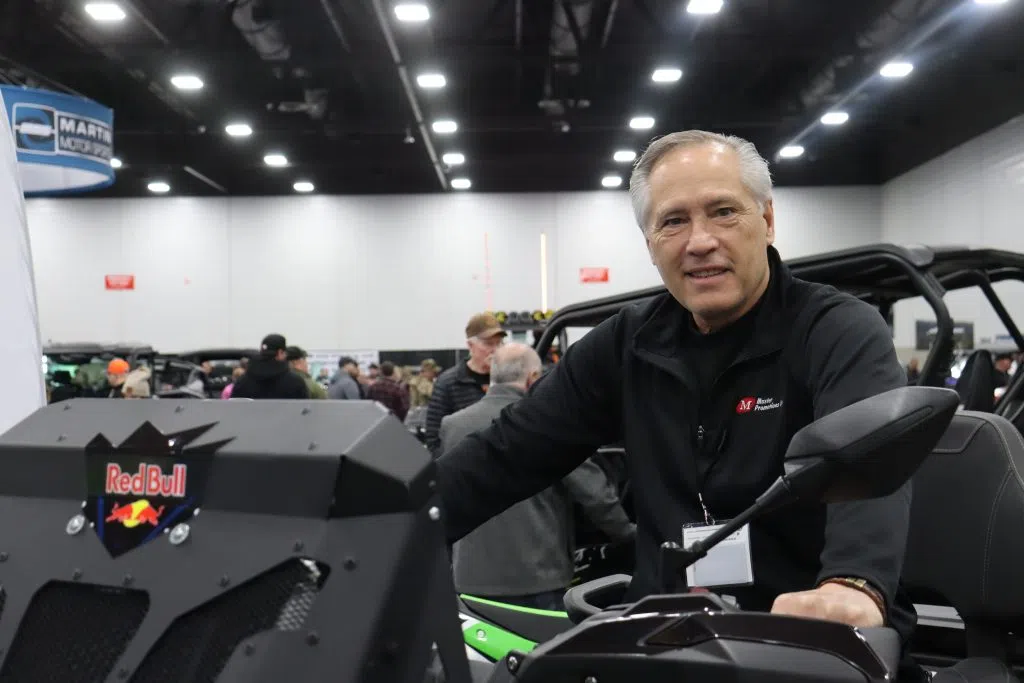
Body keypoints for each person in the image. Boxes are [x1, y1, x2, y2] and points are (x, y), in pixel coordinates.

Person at [435, 131, 916, 657]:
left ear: (768, 220)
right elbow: (507, 453)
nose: (700, 240)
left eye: (724, 212)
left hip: (804, 647)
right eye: (673, 221)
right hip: (663, 645)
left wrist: (853, 584)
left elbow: (871, 466)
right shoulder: (625, 344)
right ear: (650, 244)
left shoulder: (837, 330)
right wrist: (387, 523)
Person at [441, 343, 634, 611]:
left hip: (469, 580)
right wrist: (629, 536)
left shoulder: (453, 424)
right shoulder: (551, 422)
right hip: (536, 578)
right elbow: (594, 494)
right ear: (533, 378)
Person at [425, 313, 507, 456]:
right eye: (488, 343)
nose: (495, 350)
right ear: (470, 345)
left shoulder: (507, 379)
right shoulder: (449, 383)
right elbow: (434, 438)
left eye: (499, 343)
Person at [231, 334, 309, 400]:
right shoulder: (295, 382)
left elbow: (235, 410)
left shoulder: (242, 382)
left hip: (250, 418)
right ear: (280, 353)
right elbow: (305, 412)